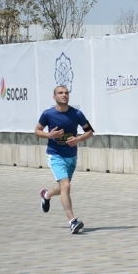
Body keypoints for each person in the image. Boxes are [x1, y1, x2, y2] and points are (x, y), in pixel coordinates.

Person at [35, 85, 94, 234]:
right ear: (54, 97)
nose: (64, 95)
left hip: (71, 156)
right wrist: (49, 136)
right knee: (66, 185)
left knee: (63, 187)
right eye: (60, 93)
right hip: (55, 154)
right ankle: (72, 221)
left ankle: (46, 195)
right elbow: (37, 131)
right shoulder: (47, 114)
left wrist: (78, 139)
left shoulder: (77, 114)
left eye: (66, 93)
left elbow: (90, 132)